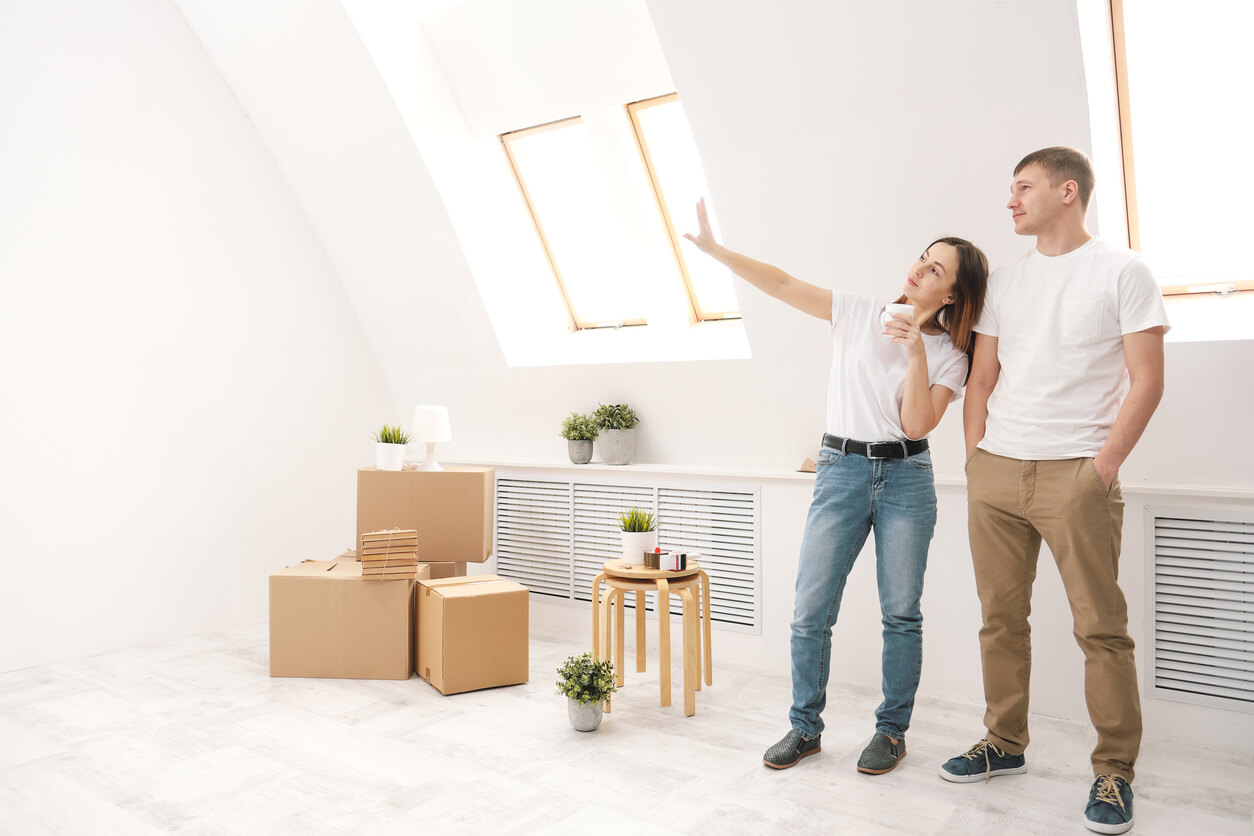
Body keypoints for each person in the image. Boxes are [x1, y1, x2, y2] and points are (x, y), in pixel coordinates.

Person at [685, 198, 988, 775]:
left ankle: (891, 734)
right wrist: (715, 250)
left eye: (935, 270)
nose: (918, 270)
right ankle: (805, 727)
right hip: (841, 470)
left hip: (906, 477)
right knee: (809, 610)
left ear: (950, 295)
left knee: (901, 613)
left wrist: (916, 350)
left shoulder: (950, 353)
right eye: (922, 259)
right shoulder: (856, 312)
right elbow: (780, 282)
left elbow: (917, 424)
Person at [938, 147, 1168, 835]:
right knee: (999, 620)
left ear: (1068, 192)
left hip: (1077, 474)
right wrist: (976, 460)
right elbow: (981, 380)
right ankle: (1004, 742)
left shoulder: (1123, 271)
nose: (1011, 200)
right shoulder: (1007, 281)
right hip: (998, 473)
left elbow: (1147, 381)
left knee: (1101, 628)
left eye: (1024, 188)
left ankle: (1114, 772)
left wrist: (1101, 468)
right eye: (1010, 189)